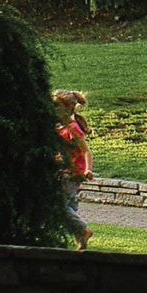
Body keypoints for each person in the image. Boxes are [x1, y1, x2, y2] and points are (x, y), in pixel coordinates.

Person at [55, 89, 93, 251]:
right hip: (63, 171)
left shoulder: (72, 129)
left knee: (59, 206)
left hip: (71, 174)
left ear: (68, 108)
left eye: (56, 106)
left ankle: (83, 229)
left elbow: (86, 151)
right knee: (70, 207)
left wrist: (88, 169)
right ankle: (81, 241)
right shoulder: (59, 127)